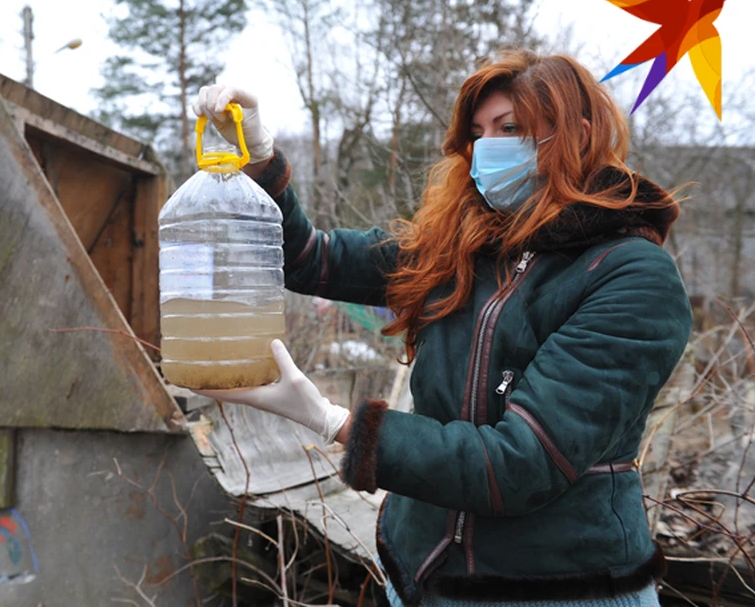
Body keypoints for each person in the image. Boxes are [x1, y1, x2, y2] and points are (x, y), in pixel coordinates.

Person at [191, 50, 692, 606]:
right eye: (478, 132)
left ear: (577, 133)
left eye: (512, 128)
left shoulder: (631, 277)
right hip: (419, 572)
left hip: (554, 589)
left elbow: (517, 464)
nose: (488, 147)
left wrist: (331, 420)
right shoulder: (462, 249)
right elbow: (311, 256)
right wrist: (261, 158)